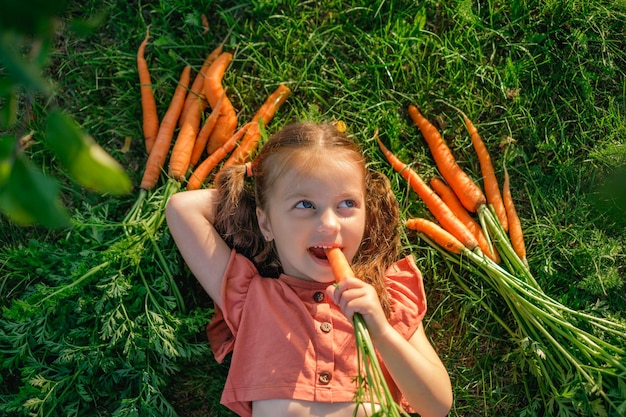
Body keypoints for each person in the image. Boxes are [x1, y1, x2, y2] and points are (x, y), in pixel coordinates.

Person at [166, 122, 453, 417]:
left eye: (347, 203)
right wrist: (260, 182)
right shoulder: (253, 298)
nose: (329, 223)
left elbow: (437, 406)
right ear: (265, 223)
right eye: (305, 204)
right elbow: (182, 209)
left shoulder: (385, 296)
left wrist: (381, 332)